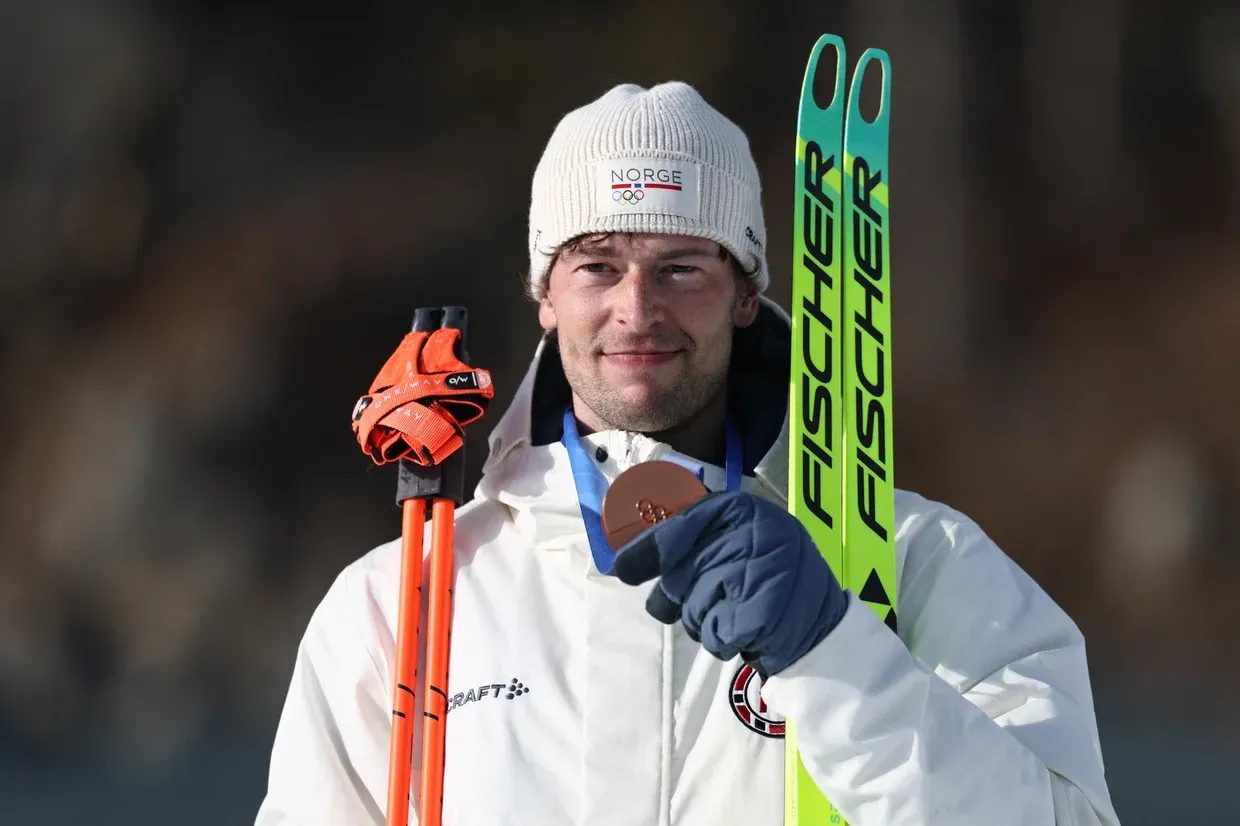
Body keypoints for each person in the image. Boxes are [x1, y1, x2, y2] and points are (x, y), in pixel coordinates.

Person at [255, 82, 1120, 826]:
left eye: (680, 268)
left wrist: (835, 655)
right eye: (596, 266)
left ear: (747, 293)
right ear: (543, 294)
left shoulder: (918, 562)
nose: (637, 310)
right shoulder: (405, 607)